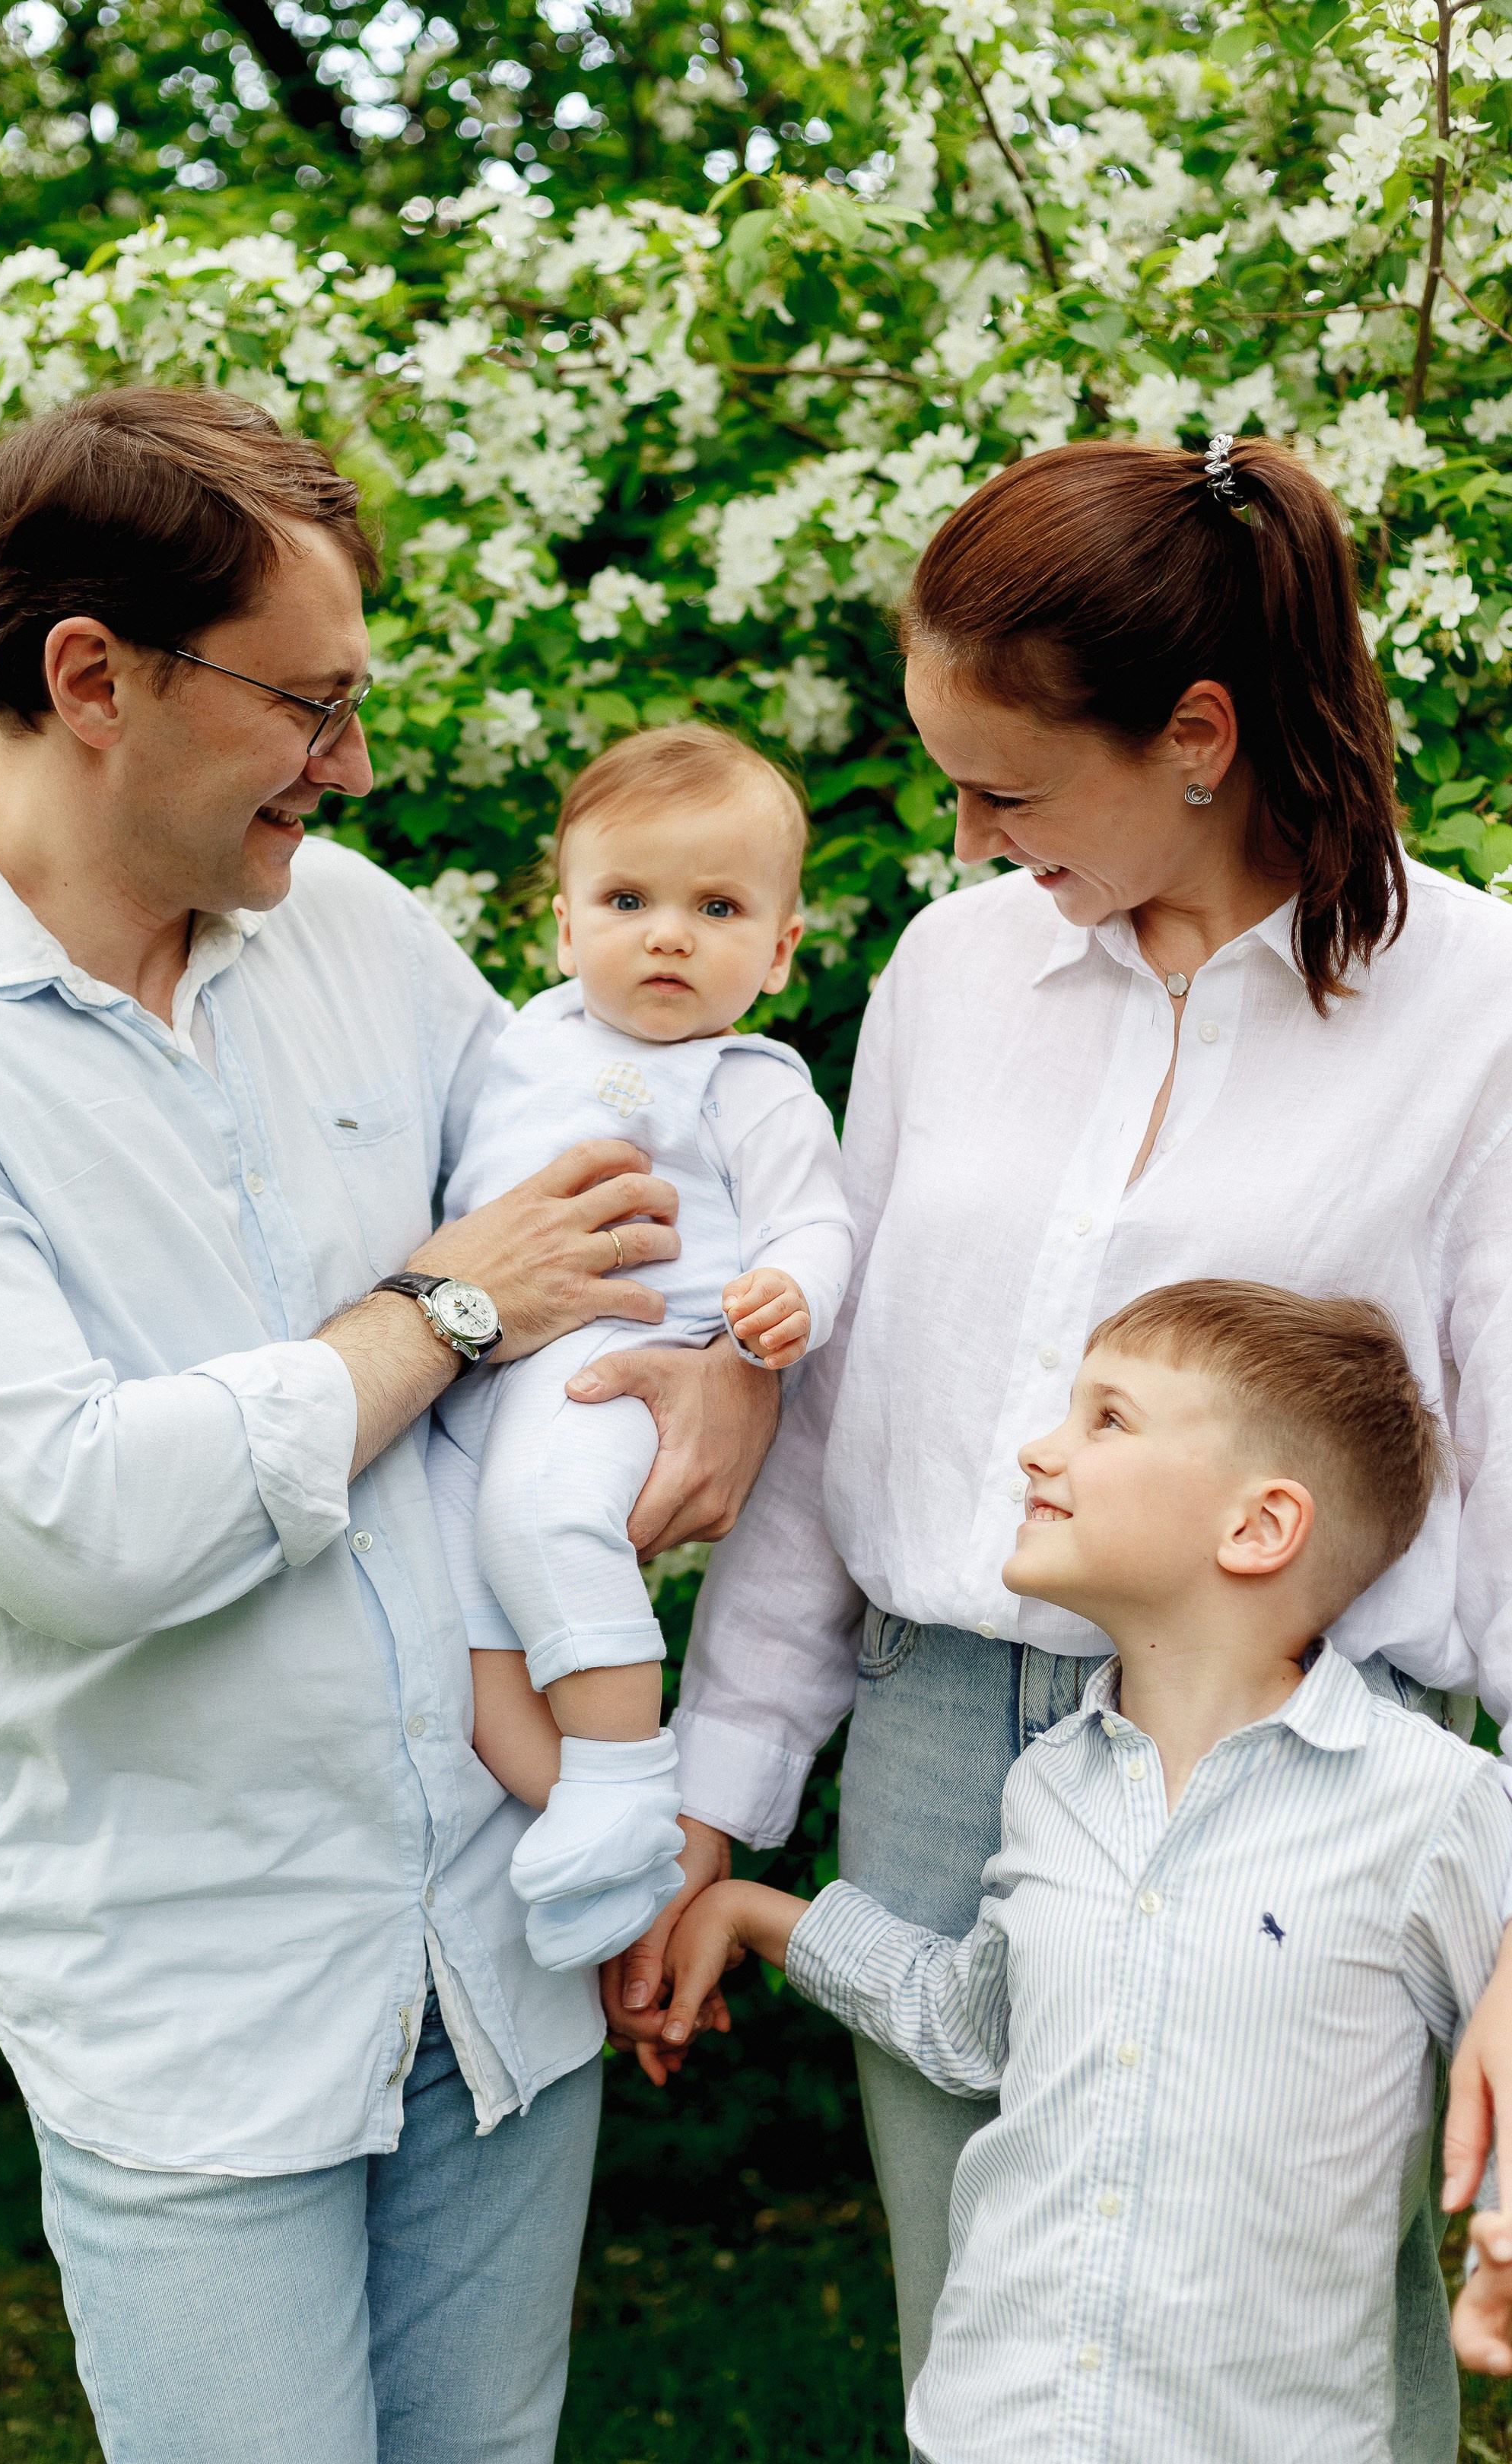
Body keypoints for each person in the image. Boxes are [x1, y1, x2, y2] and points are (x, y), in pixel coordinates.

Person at [0, 386, 778, 2464]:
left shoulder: (355, 925)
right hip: (192, 1994)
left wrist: (723, 1347)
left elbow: (607, 1198)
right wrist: (446, 1310)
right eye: (308, 705)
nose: (352, 764)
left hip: (496, 1946)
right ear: (91, 681)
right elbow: (85, 1524)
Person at [602, 433, 1512, 2462]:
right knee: (1001, 2347)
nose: (966, 827)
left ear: (1197, 735)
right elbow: (845, 1408)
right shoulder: (957, 970)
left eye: (1006, 784)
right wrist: (721, 1805)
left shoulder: (1473, 1003)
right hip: (937, 1757)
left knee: (1284, 2359)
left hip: (1301, 1775)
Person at [660, 1281, 1512, 2462]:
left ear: (1260, 1527)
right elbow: (977, 2020)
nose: (1037, 1449)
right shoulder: (1051, 1789)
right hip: (996, 2432)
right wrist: (756, 1913)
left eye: (1107, 1420)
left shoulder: (1432, 1808)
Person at [427, 725, 853, 1975]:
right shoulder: (523, 1043)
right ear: (563, 932)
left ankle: (623, 1772)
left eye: (716, 907)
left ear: (778, 952)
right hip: (475, 1377)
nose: (667, 933)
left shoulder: (751, 1082)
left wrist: (787, 1295)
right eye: (626, 900)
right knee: (462, 1629)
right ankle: (604, 1858)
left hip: (629, 1350)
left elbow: (818, 1221)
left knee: (548, 1521)